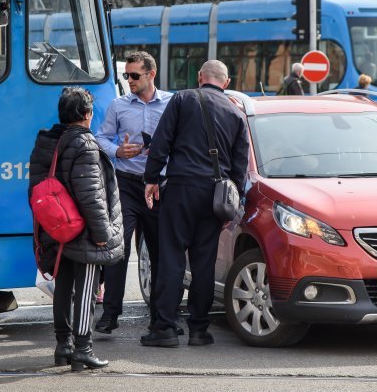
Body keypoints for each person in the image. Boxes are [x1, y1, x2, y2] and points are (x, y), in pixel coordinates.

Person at [140, 60, 249, 348]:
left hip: (180, 189)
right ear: (225, 83)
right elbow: (240, 166)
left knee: (172, 258)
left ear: (200, 77)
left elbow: (162, 141)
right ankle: (199, 330)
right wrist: (233, 201)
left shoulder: (183, 98)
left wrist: (151, 178)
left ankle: (164, 328)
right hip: (215, 195)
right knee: (204, 263)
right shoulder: (236, 113)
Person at [28, 87, 124, 371]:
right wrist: (102, 235)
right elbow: (91, 194)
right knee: (86, 289)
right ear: (86, 114)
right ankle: (83, 347)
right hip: (83, 230)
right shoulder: (84, 144)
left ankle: (63, 345)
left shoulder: (48, 141)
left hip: (58, 228)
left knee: (63, 286)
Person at [94, 51, 173, 335]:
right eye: (127, 75)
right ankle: (111, 313)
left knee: (159, 253)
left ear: (151, 74)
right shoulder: (119, 105)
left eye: (135, 76)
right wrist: (117, 150)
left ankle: (160, 316)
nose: (129, 80)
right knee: (119, 248)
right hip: (126, 183)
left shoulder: (170, 103)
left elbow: (182, 139)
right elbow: (100, 137)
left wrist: (164, 151)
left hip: (160, 186)